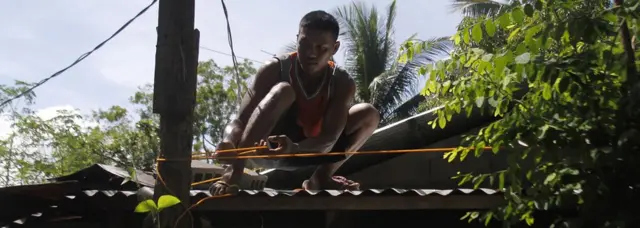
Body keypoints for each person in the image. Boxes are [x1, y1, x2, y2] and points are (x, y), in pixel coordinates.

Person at [210, 10, 380, 195]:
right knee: (283, 90)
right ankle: (234, 172)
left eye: (321, 48)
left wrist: (296, 148)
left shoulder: (342, 83)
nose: (310, 54)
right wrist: (228, 141)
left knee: (368, 114)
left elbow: (330, 138)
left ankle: (321, 178)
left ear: (335, 48)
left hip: (310, 152)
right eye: (304, 44)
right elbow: (239, 122)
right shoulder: (274, 69)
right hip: (266, 149)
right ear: (297, 38)